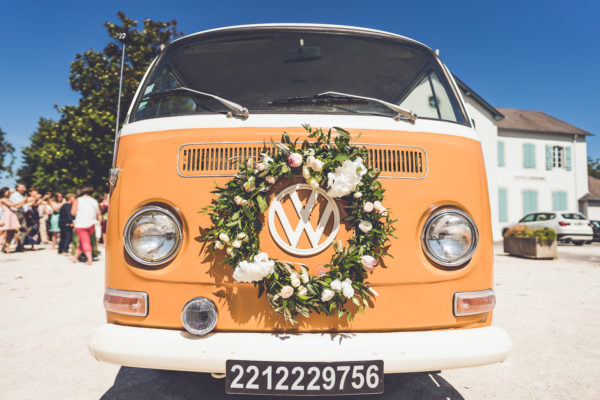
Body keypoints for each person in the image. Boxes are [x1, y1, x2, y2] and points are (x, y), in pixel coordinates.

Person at [71, 186, 101, 265]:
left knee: (85, 242)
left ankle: (89, 260)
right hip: (92, 225)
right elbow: (99, 214)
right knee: (83, 242)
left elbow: (73, 213)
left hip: (81, 224)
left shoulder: (78, 200)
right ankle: (75, 258)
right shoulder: (95, 201)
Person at [0, 187, 27, 253]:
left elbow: (16, 206)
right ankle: (5, 246)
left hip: (11, 215)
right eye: (8, 192)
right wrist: (23, 201)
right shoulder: (3, 199)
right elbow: (14, 205)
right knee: (2, 231)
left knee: (11, 232)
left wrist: (24, 201)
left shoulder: (7, 199)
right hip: (7, 216)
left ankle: (7, 247)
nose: (9, 193)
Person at [9, 183, 32, 252]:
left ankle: (20, 246)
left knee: (23, 230)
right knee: (13, 230)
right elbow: (18, 205)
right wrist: (25, 200)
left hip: (23, 213)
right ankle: (6, 246)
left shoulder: (22, 196)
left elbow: (26, 205)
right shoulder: (14, 195)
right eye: (23, 187)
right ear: (18, 188)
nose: (24, 189)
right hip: (16, 213)